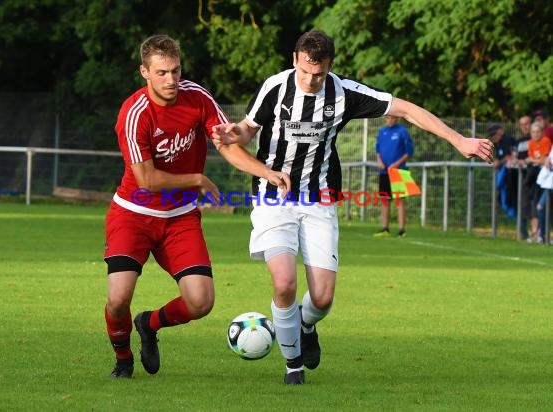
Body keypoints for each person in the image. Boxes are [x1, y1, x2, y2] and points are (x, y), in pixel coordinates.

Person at [211, 30, 494, 385]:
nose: (311, 80)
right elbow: (247, 130)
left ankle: (305, 323)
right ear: (295, 59)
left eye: (319, 73)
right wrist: (230, 134)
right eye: (305, 72)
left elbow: (406, 109)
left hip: (320, 200)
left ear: (329, 66)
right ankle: (293, 366)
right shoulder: (276, 87)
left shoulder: (344, 92)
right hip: (274, 196)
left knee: (323, 298)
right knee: (284, 283)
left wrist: (458, 139)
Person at [103, 34, 290, 379]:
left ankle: (149, 323)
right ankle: (124, 357)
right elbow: (145, 179)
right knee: (117, 299)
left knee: (201, 302)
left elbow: (226, 143)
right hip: (134, 214)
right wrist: (196, 180)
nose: (171, 80)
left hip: (180, 219)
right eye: (161, 73)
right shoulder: (134, 113)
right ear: (144, 71)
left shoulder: (197, 97)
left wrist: (266, 172)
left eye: (175, 71)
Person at [374, 114, 415, 237]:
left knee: (400, 200)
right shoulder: (382, 131)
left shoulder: (403, 131)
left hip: (399, 171)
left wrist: (396, 164)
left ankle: (402, 230)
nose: (390, 120)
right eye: (388, 118)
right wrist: (379, 161)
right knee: (384, 200)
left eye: (393, 118)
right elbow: (378, 149)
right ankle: (385, 228)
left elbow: (409, 152)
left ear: (397, 119)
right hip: (384, 172)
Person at [526, 121, 552, 243]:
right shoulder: (531, 143)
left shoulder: (546, 141)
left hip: (547, 181)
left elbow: (544, 159)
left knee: (542, 207)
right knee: (539, 206)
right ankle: (541, 234)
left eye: (538, 132)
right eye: (533, 132)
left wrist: (538, 160)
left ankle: (543, 234)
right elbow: (531, 158)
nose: (536, 134)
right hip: (543, 181)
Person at [488, 123, 517, 218]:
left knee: (511, 203)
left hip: (511, 177)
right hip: (505, 180)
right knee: (505, 203)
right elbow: (499, 158)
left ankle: (521, 229)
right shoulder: (497, 144)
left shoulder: (508, 140)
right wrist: (496, 160)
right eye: (491, 135)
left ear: (501, 131)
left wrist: (499, 162)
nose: (493, 137)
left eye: (494, 134)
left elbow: (510, 157)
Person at [513, 115, 532, 239]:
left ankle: (538, 233)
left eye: (526, 124)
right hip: (521, 177)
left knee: (534, 205)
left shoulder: (535, 138)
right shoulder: (519, 141)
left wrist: (525, 161)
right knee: (522, 205)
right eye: (522, 124)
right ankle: (523, 233)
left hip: (533, 177)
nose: (524, 127)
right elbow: (515, 155)